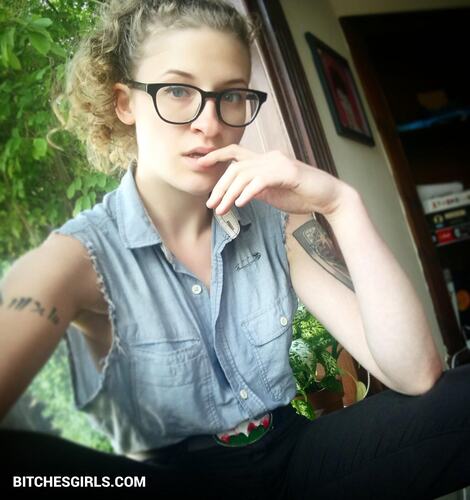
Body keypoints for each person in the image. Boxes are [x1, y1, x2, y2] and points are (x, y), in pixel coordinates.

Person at [0, 1, 469, 498]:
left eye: (232, 95)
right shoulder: (81, 255)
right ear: (125, 102)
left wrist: (340, 203)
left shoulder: (275, 223)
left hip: (290, 455)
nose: (210, 123)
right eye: (178, 90)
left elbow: (415, 375)